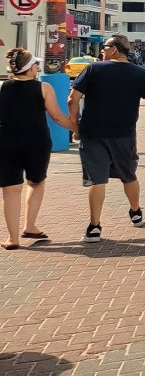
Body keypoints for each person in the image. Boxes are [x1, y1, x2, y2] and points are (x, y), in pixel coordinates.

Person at [68, 35, 145, 243]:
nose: (102, 51)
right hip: (124, 133)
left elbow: (72, 99)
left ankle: (94, 226)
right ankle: (136, 211)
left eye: (105, 47)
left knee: (97, 180)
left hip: (93, 133)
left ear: (114, 49)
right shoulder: (140, 73)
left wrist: (75, 126)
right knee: (128, 175)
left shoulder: (93, 69)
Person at [0, 49, 75, 249]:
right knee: (35, 183)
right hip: (37, 143)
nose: (37, 67)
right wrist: (77, 128)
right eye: (35, 64)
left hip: (6, 144)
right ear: (30, 68)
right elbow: (57, 117)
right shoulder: (44, 88)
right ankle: (30, 226)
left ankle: (12, 238)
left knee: (10, 191)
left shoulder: (3, 87)